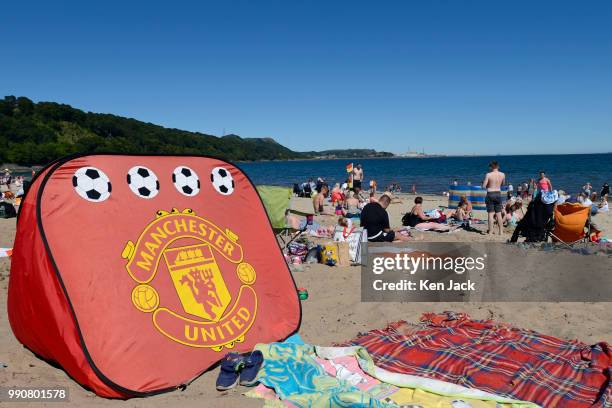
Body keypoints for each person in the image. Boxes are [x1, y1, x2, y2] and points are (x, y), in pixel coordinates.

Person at [482, 161, 505, 235]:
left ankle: (491, 231)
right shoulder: (502, 174)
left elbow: (484, 186)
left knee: (490, 214)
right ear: (498, 166)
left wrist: (487, 185)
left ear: (491, 167)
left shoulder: (488, 174)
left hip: (490, 193)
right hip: (498, 193)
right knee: (498, 214)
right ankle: (501, 231)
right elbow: (503, 184)